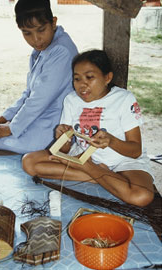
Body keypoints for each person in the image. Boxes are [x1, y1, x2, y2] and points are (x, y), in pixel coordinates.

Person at [22, 49, 154, 207]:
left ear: (107, 77)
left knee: (142, 196)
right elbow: (64, 150)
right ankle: (99, 176)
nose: (82, 84)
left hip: (122, 161)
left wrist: (111, 141)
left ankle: (90, 170)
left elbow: (135, 150)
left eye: (89, 77)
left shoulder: (124, 99)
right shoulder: (71, 100)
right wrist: (62, 139)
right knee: (29, 162)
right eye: (76, 79)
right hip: (81, 155)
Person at [0, 0, 78, 154]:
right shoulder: (43, 48)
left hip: (54, 126)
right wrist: (2, 119)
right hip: (38, 118)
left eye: (41, 30)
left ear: (54, 22)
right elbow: (29, 93)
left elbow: (39, 99)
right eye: (27, 33)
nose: (36, 39)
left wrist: (11, 128)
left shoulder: (61, 51)